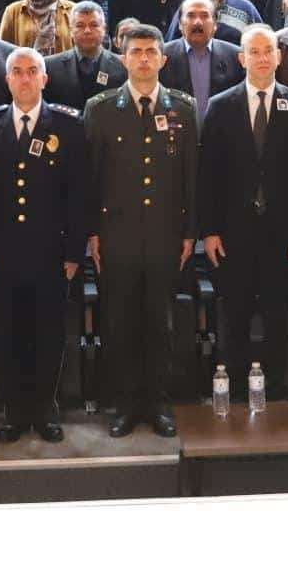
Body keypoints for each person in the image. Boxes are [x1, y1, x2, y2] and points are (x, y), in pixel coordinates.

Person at [84, 23, 197, 438]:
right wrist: (92, 233)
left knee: (161, 322)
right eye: (136, 52)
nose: (144, 59)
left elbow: (191, 177)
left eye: (151, 51)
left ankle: (158, 403)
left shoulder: (182, 108)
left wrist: (189, 232)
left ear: (163, 59)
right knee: (121, 322)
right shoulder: (100, 109)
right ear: (123, 58)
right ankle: (127, 404)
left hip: (166, 234)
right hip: (118, 236)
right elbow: (90, 178)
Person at [0, 47, 86, 443]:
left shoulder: (68, 126)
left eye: (32, 71)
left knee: (48, 334)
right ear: (7, 80)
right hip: (2, 253)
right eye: (17, 71)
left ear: (44, 78)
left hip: (50, 252)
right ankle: (15, 412)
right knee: (8, 334)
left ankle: (45, 409)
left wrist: (74, 252)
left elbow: (78, 194)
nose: (24, 78)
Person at [198, 24, 288, 401]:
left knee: (278, 316)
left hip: (283, 235)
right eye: (255, 52)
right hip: (233, 233)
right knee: (235, 315)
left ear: (278, 57)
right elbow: (208, 175)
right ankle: (234, 390)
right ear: (241, 58)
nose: (262, 58)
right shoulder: (221, 106)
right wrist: (209, 231)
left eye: (268, 51)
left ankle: (275, 391)